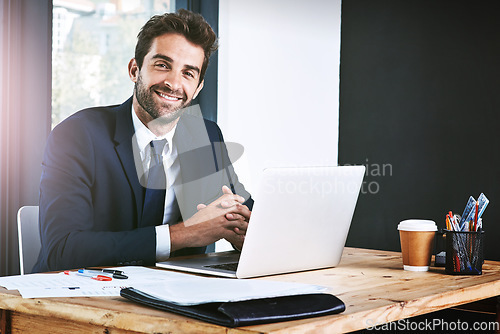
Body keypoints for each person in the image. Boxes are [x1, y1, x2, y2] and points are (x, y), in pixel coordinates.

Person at [33, 9, 253, 273]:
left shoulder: (204, 136)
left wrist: (245, 233)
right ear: (134, 70)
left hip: (174, 299)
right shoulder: (78, 135)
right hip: (80, 297)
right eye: (163, 65)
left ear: (198, 88)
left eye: (188, 73)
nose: (173, 83)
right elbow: (62, 249)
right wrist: (185, 234)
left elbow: (242, 213)